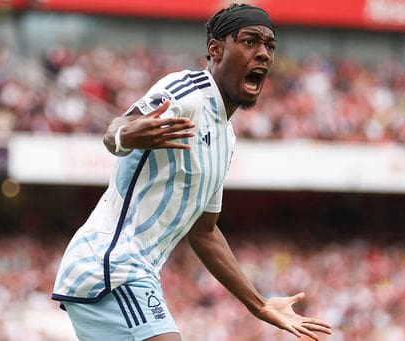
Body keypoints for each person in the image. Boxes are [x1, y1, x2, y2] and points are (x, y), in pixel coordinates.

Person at [52, 3, 332, 340]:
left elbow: (204, 231)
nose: (263, 54)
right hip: (111, 266)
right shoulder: (188, 92)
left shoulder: (225, 139)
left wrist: (259, 305)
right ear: (215, 49)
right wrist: (128, 134)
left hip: (127, 272)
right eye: (249, 42)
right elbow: (117, 129)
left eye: (269, 46)